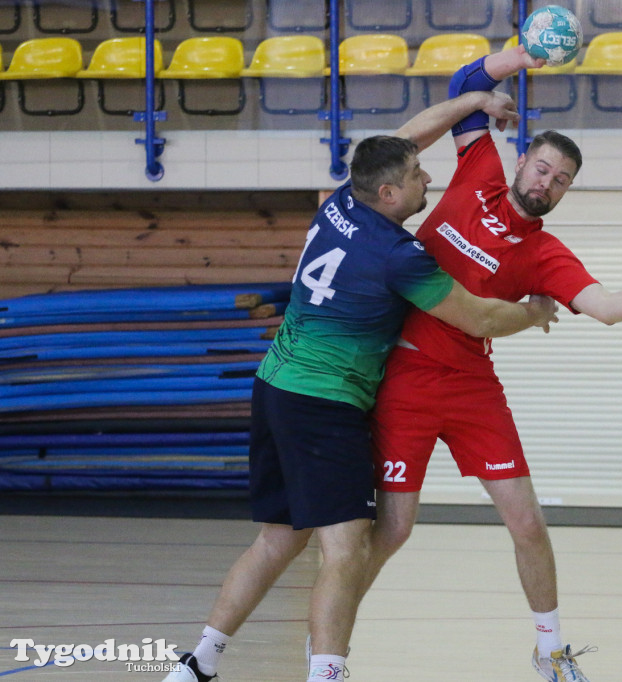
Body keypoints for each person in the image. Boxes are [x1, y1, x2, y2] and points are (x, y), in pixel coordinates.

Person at [161, 90, 559, 682]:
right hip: (325, 404)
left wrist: (472, 98)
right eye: (419, 176)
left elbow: (407, 140)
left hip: (273, 386)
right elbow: (476, 318)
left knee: (278, 541)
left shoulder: (340, 202)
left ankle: (200, 662)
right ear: (391, 195)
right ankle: (327, 672)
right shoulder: (400, 255)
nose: (429, 178)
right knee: (346, 550)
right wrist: (532, 312)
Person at [363, 44, 622, 682]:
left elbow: (602, 306)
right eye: (541, 168)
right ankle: (332, 638)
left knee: (527, 522)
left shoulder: (545, 254)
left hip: (471, 386)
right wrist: (522, 57)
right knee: (395, 529)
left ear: (565, 190)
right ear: (521, 161)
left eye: (560, 179)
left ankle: (550, 651)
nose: (546, 183)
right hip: (403, 375)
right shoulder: (478, 165)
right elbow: (464, 83)